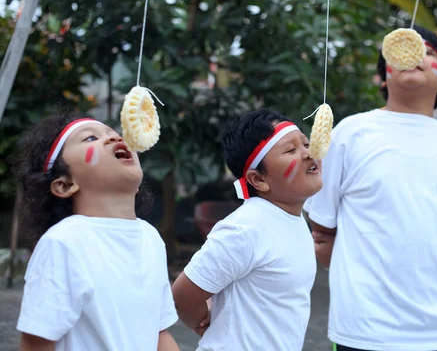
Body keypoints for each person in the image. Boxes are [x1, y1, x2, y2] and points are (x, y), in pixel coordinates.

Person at [305, 26, 437, 351]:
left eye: (429, 53)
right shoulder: (351, 132)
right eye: (403, 50)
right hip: (366, 329)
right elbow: (323, 228)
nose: (416, 55)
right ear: (384, 77)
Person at [12, 111, 180, 351]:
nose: (114, 138)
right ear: (65, 184)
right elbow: (36, 343)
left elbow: (159, 334)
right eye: (90, 138)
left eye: (115, 133)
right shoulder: (64, 242)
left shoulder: (150, 238)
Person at [172, 108, 322, 350]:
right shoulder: (246, 228)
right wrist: (203, 321)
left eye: (305, 144)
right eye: (291, 150)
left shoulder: (292, 218)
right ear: (258, 180)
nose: (308, 153)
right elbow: (183, 295)